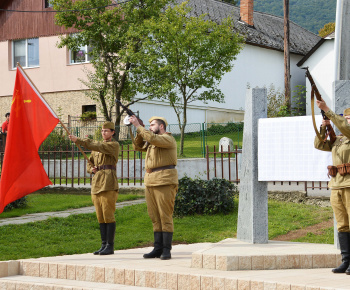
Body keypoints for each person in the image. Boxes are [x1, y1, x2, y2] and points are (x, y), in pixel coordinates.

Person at [129, 115, 178, 260]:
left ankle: (166, 250)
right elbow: (137, 146)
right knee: (155, 217)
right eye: (149, 125)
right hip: (150, 181)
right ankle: (157, 248)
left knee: (165, 216)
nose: (150, 127)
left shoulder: (168, 139)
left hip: (164, 181)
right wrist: (138, 130)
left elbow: (152, 138)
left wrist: (139, 126)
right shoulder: (152, 140)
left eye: (153, 125)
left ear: (161, 126)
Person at [69, 122, 119, 255]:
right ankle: (103, 244)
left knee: (108, 215)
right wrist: (91, 169)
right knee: (100, 216)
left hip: (108, 183)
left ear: (113, 132)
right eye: (102, 131)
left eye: (107, 131)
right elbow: (89, 162)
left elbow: (99, 146)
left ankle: (110, 245)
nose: (104, 133)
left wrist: (79, 140)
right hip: (97, 183)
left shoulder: (113, 145)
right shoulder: (96, 147)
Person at [314, 99, 350, 274]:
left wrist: (327, 109)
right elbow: (319, 144)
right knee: (342, 225)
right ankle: (346, 261)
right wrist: (324, 126)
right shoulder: (339, 140)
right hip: (336, 185)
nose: (348, 120)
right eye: (347, 117)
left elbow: (344, 126)